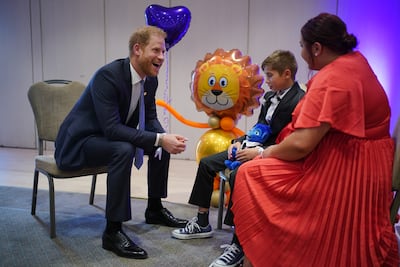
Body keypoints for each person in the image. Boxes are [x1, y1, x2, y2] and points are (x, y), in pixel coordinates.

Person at [231, 13, 400, 267]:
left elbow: (301, 144)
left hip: (349, 167)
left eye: (301, 45)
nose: (301, 51)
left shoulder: (333, 79)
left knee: (250, 174)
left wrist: (263, 153)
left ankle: (269, 251)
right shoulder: (356, 61)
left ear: (317, 48)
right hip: (366, 160)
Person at [54, 25, 189, 259]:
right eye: (156, 50)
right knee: (123, 149)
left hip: (105, 139)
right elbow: (112, 129)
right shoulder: (108, 76)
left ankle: (154, 209)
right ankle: (112, 231)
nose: (161, 57)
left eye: (164, 52)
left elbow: (150, 118)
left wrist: (164, 138)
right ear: (137, 49)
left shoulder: (150, 80)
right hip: (79, 143)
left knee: (160, 146)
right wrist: (159, 138)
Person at [172, 50, 305, 267]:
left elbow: (289, 139)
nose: (267, 81)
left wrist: (258, 153)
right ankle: (203, 222)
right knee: (207, 164)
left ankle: (239, 242)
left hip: (274, 154)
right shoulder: (270, 97)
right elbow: (261, 128)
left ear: (287, 74)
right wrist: (240, 141)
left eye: (270, 76)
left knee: (237, 175)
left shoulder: (300, 101)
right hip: (254, 146)